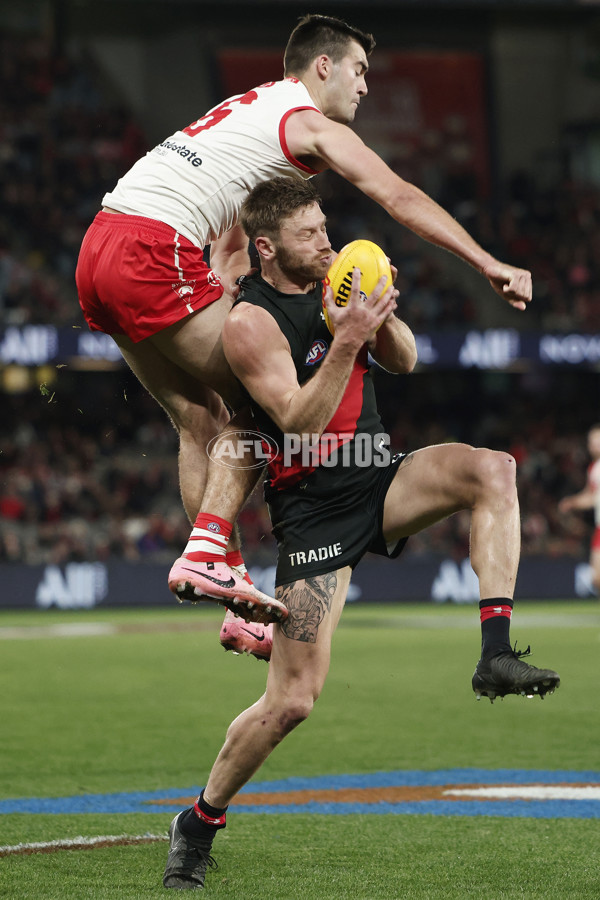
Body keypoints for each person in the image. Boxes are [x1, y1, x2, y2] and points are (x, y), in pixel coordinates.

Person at [75, 14, 534, 655]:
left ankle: (226, 580)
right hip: (153, 247)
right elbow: (397, 195)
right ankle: (208, 544)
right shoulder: (307, 123)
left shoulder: (252, 116)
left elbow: (231, 253)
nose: (366, 86)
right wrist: (489, 263)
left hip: (101, 244)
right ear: (323, 67)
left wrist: (237, 301)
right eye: (359, 70)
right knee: (271, 398)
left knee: (196, 414)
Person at [161, 177, 560, 890]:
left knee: (493, 470)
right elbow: (299, 422)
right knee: (292, 701)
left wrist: (377, 314)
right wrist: (345, 335)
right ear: (266, 247)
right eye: (310, 233)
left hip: (377, 473)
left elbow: (402, 362)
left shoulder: (334, 279)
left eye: (324, 227)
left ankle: (496, 653)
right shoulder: (249, 322)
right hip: (312, 512)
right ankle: (198, 821)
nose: (325, 241)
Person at [559, 424, 600, 594]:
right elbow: (591, 493)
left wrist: (573, 503)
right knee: (596, 578)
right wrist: (573, 501)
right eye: (591, 442)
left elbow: (593, 498)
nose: (593, 445)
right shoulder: (593, 468)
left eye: (597, 441)